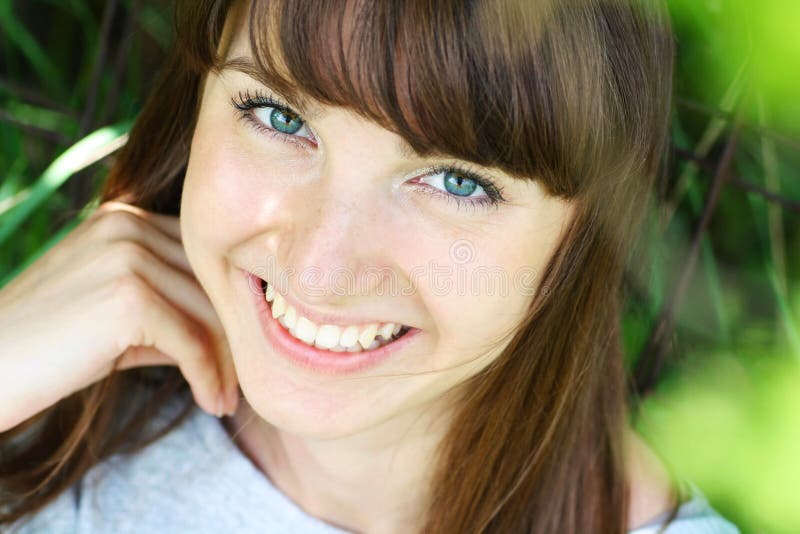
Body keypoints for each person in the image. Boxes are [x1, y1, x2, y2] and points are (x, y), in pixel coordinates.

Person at [0, 0, 741, 532]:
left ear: (592, 229)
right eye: (279, 118)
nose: (320, 271)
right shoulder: (48, 423)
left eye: (457, 181)